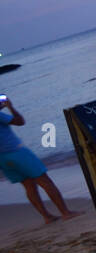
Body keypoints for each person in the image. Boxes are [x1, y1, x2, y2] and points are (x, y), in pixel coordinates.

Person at [0, 95, 82, 224]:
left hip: (2, 159)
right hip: (16, 152)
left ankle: (47, 217)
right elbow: (20, 121)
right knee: (45, 181)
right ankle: (65, 213)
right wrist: (10, 107)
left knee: (28, 186)